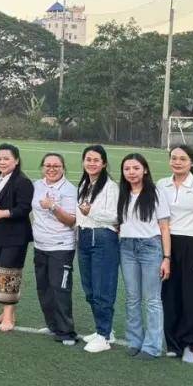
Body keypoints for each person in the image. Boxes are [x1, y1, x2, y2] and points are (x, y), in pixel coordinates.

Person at [157, 145, 193, 363]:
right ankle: (173, 342)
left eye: (182, 158)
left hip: (192, 244)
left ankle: (191, 342)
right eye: (174, 158)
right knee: (169, 294)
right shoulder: (162, 184)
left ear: (191, 163)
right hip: (167, 244)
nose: (177, 162)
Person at [116, 152, 172, 360]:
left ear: (145, 170)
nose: (131, 172)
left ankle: (152, 346)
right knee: (132, 298)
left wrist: (166, 258)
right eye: (127, 169)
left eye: (136, 168)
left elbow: (164, 227)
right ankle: (135, 341)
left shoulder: (156, 193)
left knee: (152, 299)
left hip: (150, 248)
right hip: (126, 248)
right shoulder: (121, 193)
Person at [0, 143, 34, 332]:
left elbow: (24, 208)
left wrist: (3, 213)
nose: (2, 162)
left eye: (6, 158)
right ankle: (4, 313)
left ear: (16, 160)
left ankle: (9, 317)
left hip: (14, 237)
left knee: (9, 275)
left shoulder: (22, 181)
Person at [75, 145, 121, 354]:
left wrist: (91, 211)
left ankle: (104, 336)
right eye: (88, 159)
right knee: (90, 289)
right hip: (84, 237)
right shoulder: (85, 184)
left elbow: (116, 216)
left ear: (104, 163)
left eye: (96, 160)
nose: (91, 163)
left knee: (102, 289)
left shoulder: (110, 187)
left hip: (103, 238)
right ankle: (104, 329)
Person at [31, 153, 79, 345]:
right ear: (42, 167)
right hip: (40, 245)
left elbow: (71, 220)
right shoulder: (36, 185)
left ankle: (66, 332)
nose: (51, 169)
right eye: (48, 165)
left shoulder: (69, 190)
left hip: (61, 247)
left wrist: (52, 206)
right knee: (44, 288)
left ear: (63, 168)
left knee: (60, 289)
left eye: (56, 166)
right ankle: (53, 325)